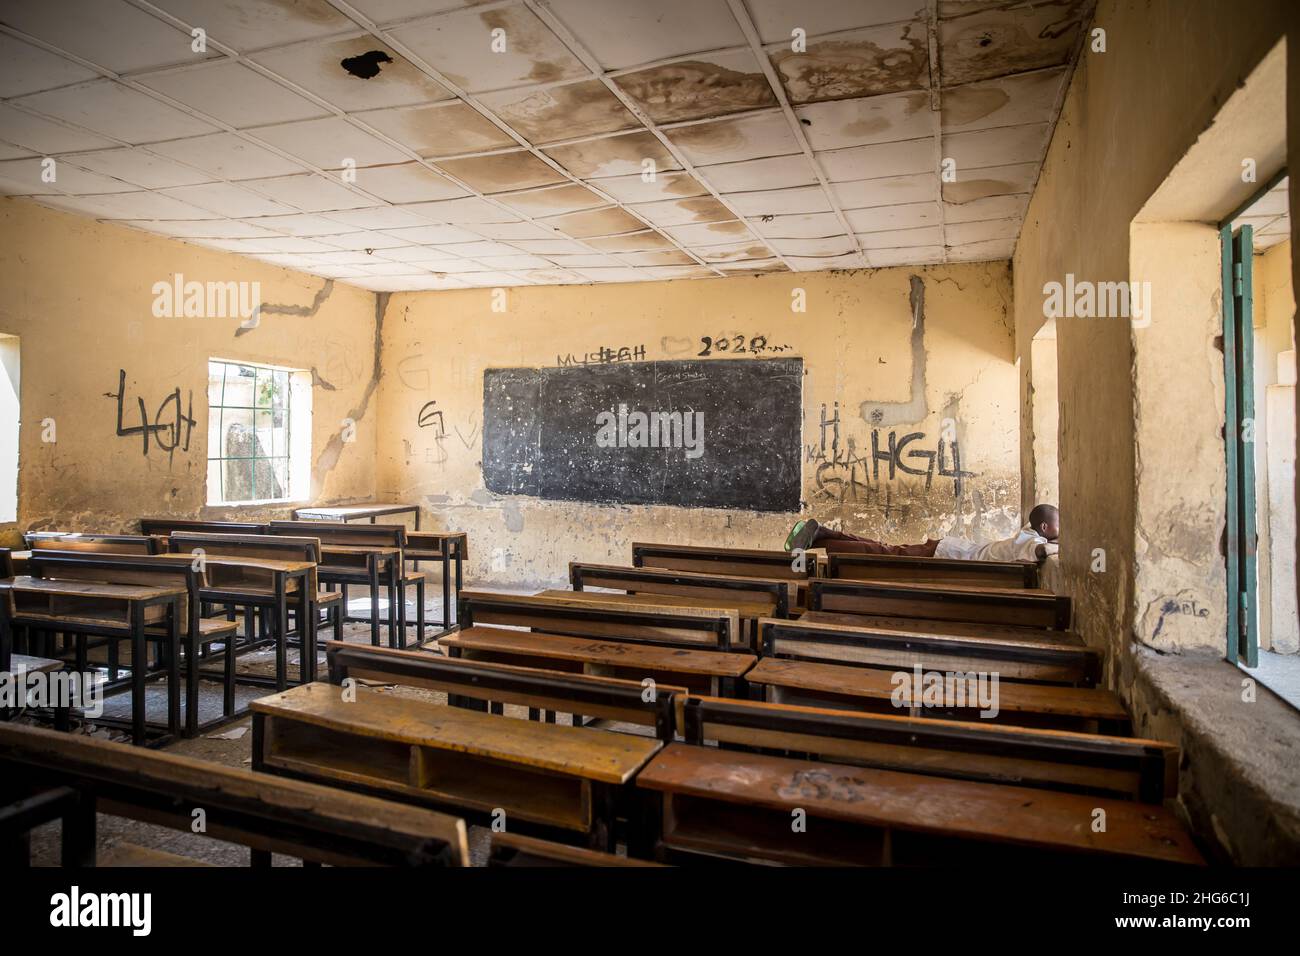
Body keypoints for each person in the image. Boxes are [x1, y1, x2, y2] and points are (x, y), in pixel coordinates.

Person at [784, 504, 1060, 563]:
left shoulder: (1029, 533)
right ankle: (820, 535)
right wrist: (1064, 547)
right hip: (946, 552)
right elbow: (1040, 551)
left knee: (884, 549)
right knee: (883, 552)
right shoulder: (1033, 541)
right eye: (1060, 525)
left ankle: (821, 534)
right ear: (1045, 529)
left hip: (949, 552)